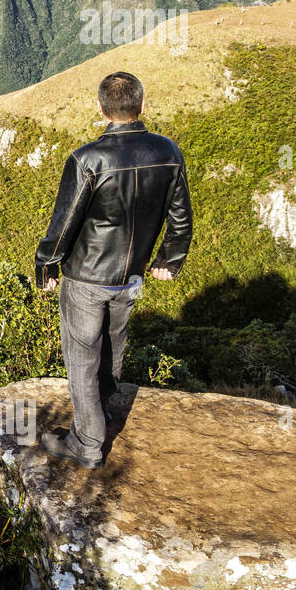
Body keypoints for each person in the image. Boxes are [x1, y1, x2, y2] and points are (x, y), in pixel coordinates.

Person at [34, 71, 193, 468]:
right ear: (143, 106)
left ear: (99, 109)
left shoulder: (88, 159)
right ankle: (101, 414)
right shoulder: (169, 151)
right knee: (112, 348)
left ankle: (87, 444)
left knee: (82, 357)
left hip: (87, 277)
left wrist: (46, 267)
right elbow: (181, 220)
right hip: (130, 277)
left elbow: (64, 223)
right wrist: (168, 261)